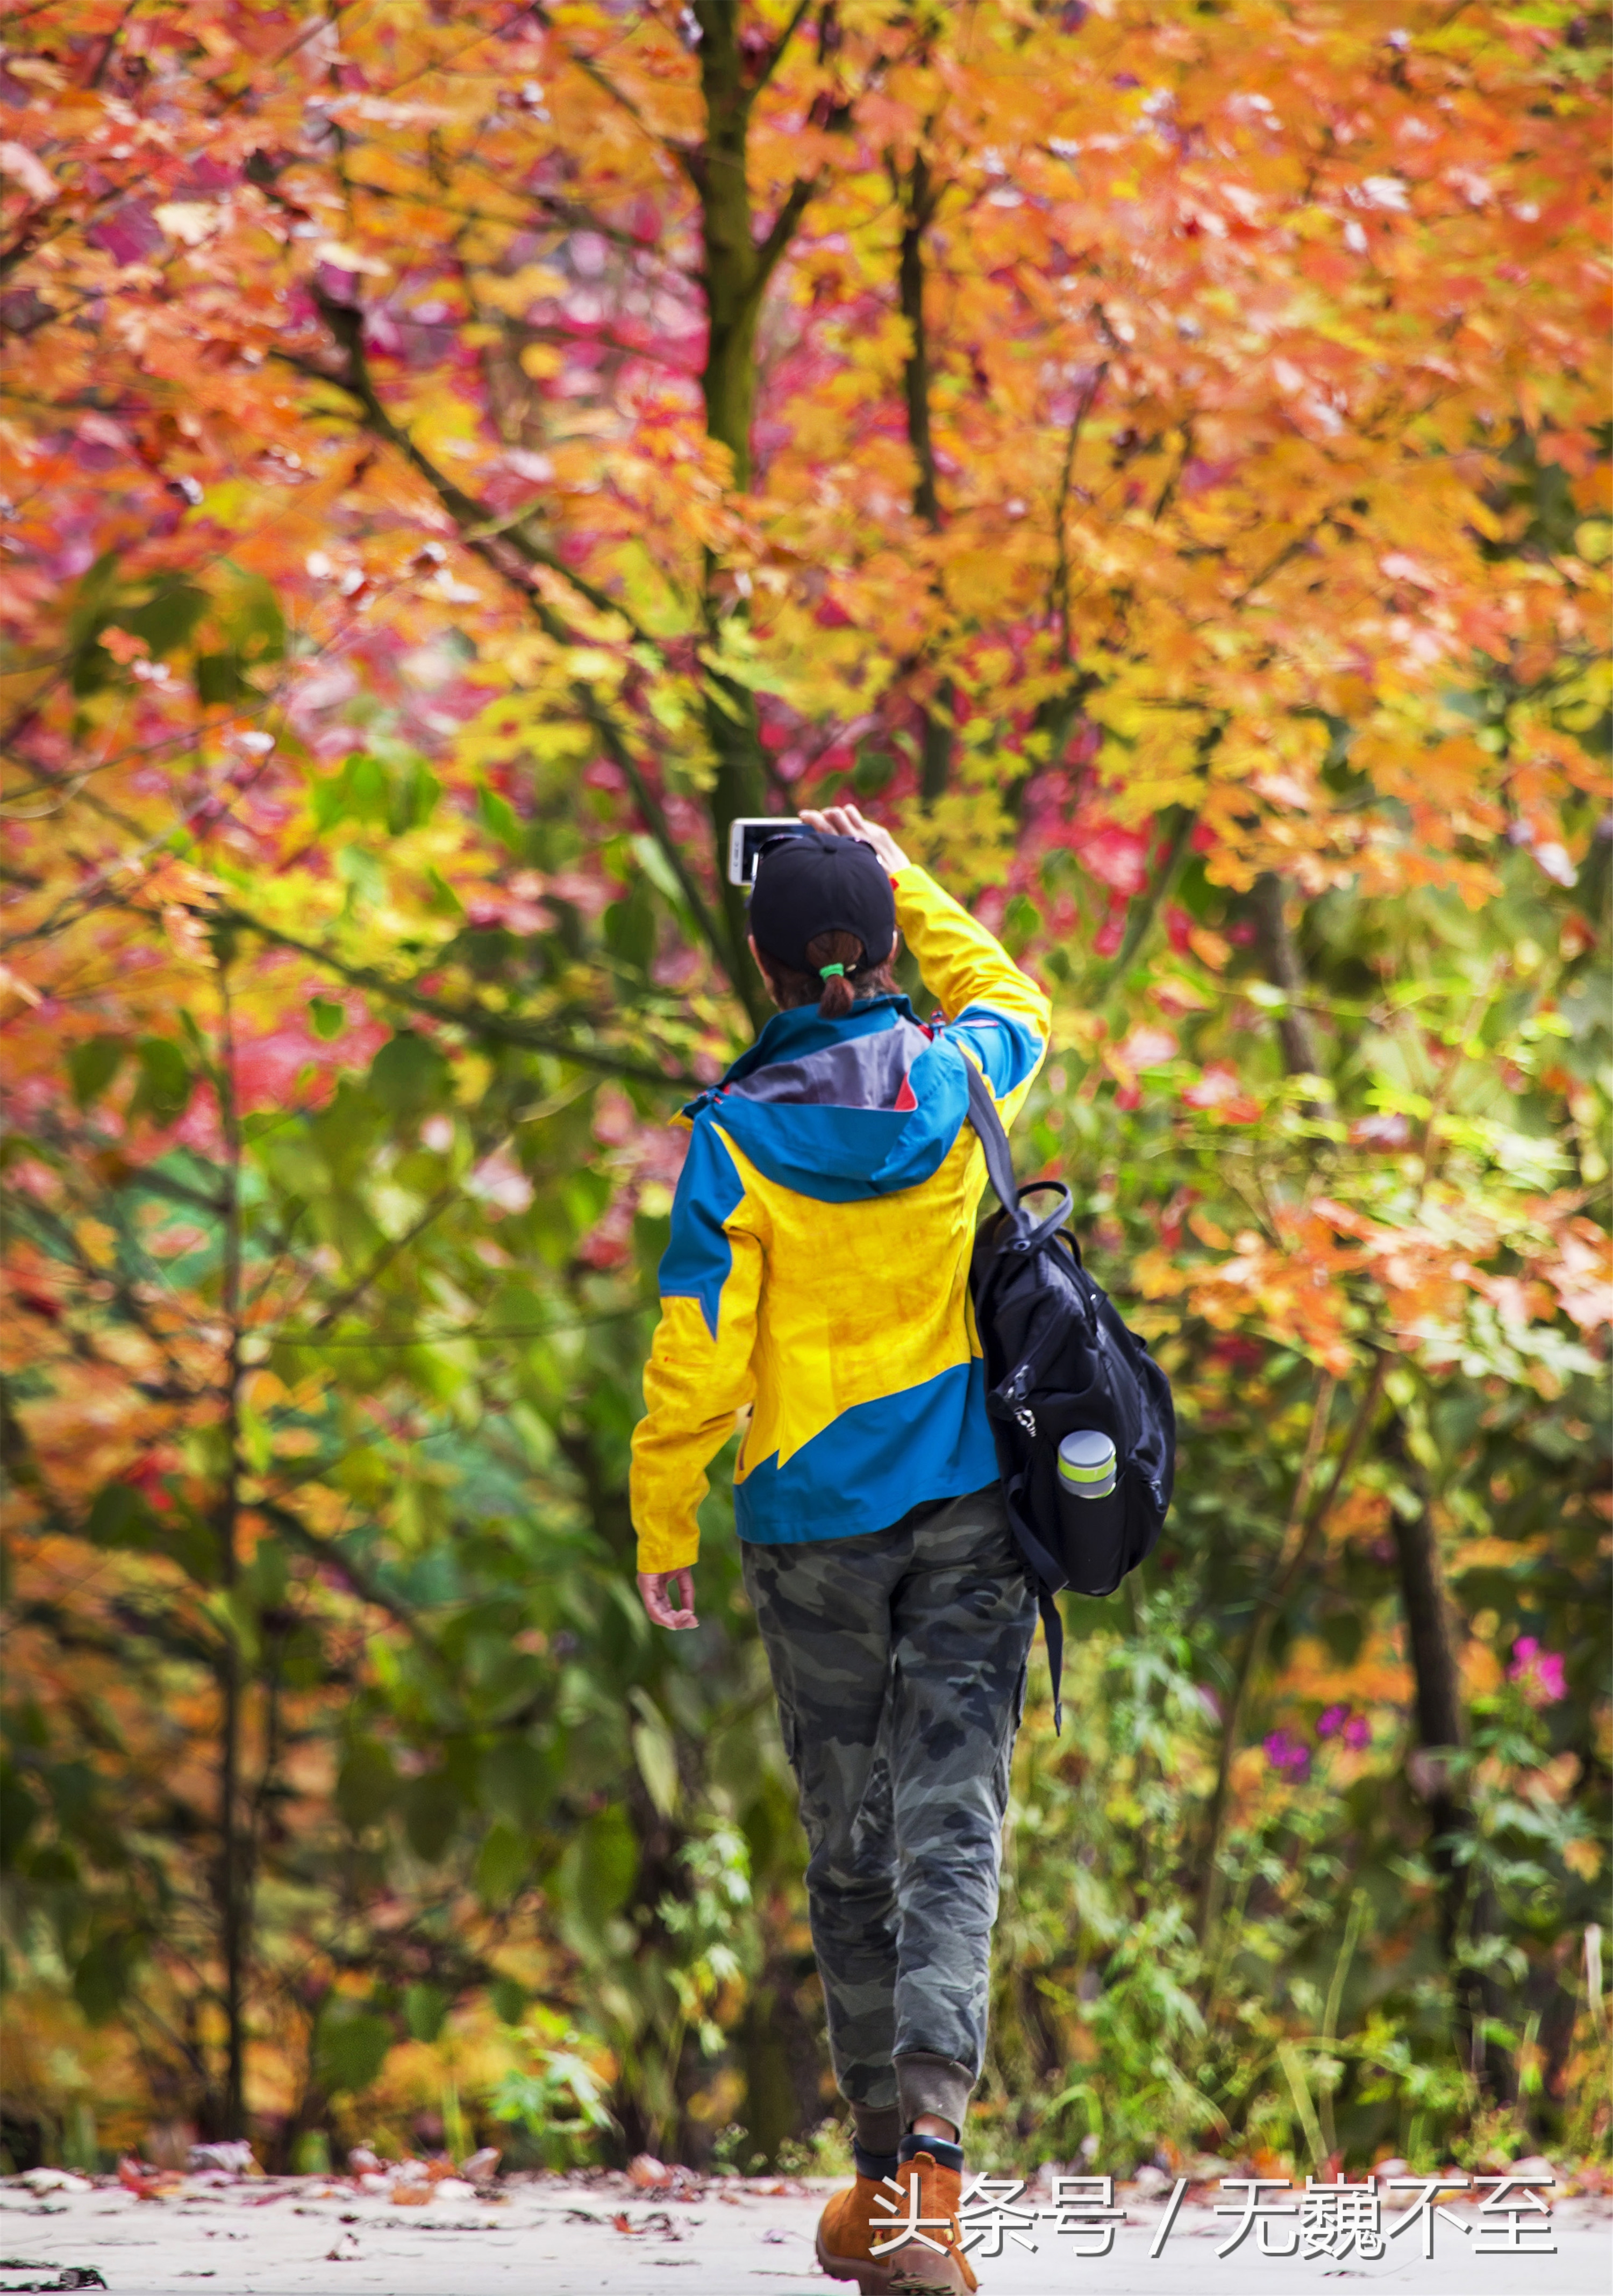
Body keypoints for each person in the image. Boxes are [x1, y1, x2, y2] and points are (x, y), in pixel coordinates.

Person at [630, 803, 1051, 2294]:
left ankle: (882, 2173)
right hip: (967, 1507)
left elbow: (697, 1353)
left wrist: (661, 1514)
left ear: (756, 962)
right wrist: (899, 870)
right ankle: (927, 2174)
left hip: (810, 1525)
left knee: (850, 1839)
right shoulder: (956, 1073)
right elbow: (1013, 994)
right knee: (956, 1823)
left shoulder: (734, 1138)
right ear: (879, 952)